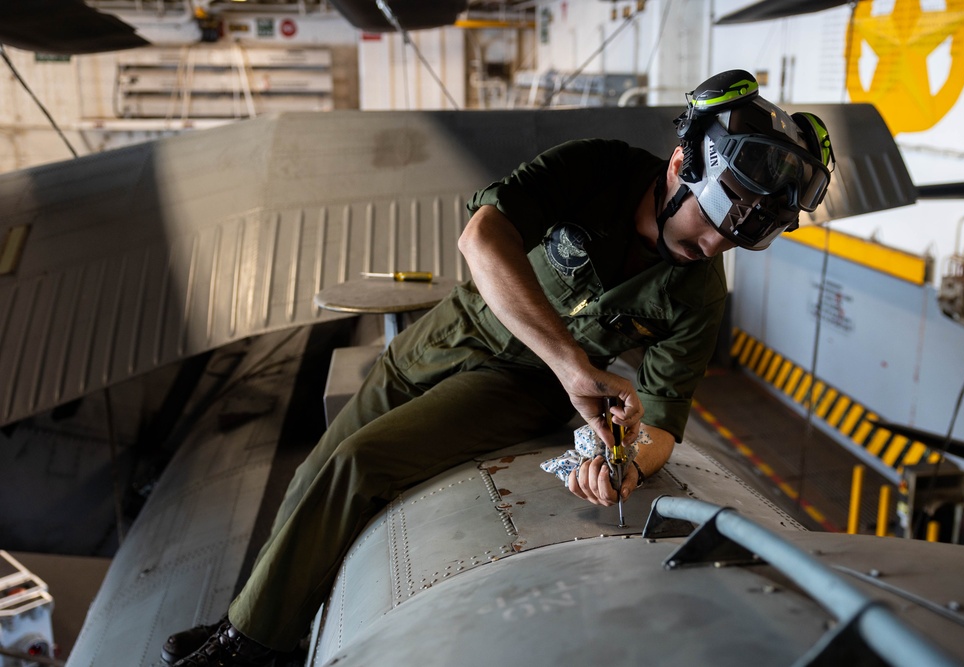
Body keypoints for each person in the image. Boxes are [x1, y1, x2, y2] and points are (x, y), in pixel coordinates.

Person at [165, 69, 835, 666]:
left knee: (360, 464)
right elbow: (481, 236)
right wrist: (575, 361)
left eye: (734, 238)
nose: (711, 245)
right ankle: (252, 618)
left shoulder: (699, 293)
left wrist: (626, 461)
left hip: (516, 388)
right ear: (680, 163)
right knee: (313, 471)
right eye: (707, 223)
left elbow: (662, 420)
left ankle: (249, 647)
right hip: (441, 341)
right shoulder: (595, 168)